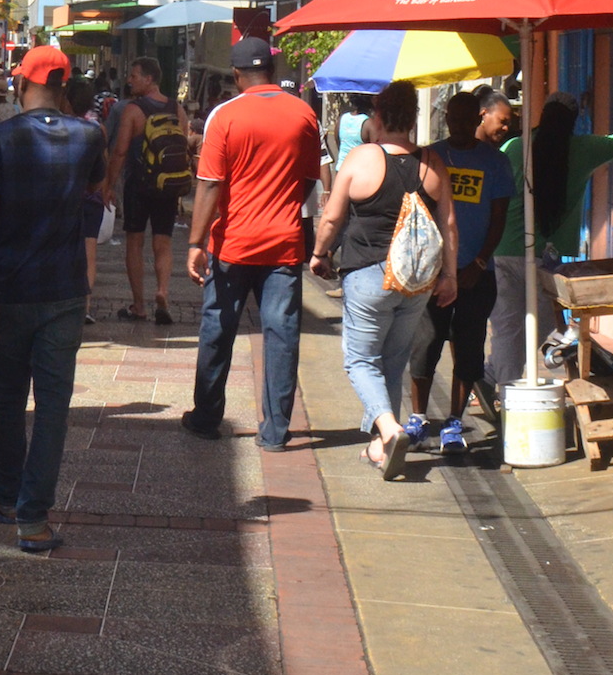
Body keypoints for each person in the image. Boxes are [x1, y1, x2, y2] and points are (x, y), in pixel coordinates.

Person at [0, 45, 105, 554]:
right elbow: (97, 188)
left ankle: (6, 494)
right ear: (64, 86)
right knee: (52, 407)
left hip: (8, 286)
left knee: (7, 399)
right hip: (66, 287)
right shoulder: (91, 135)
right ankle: (33, 518)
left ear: (22, 84)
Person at [311, 80, 457, 477]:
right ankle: (379, 445)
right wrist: (450, 277)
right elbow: (449, 225)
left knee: (360, 360)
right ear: (412, 119)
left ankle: (390, 429)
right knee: (393, 361)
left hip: (367, 274)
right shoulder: (432, 163)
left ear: (377, 116)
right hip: (415, 282)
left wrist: (319, 254)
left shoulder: (361, 159)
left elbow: (332, 218)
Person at [183, 38, 323, 452]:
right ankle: (276, 431)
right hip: (283, 243)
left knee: (217, 329)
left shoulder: (224, 116)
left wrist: (195, 242)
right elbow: (310, 178)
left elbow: (209, 184)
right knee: (281, 334)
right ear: (274, 74)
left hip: (232, 245)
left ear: (238, 74)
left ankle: (207, 418)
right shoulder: (303, 114)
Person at [492, 93, 613, 389]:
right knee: (542, 328)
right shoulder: (584, 148)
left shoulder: (514, 147)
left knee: (507, 330)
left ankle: (504, 392)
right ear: (574, 120)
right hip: (542, 259)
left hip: (502, 250)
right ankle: (518, 385)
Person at [408, 91, 514, 455]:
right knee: (424, 345)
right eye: (453, 118)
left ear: (478, 119)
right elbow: (418, 212)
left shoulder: (496, 163)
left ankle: (454, 422)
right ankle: (418, 418)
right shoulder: (430, 156)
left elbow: (498, 217)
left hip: (475, 274)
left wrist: (479, 262)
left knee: (468, 351)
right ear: (446, 118)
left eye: (466, 119)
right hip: (432, 274)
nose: (459, 126)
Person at [102, 55, 189, 325]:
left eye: (134, 75)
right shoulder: (177, 108)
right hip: (167, 186)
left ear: (149, 79)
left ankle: (139, 305)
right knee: (163, 242)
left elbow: (119, 151)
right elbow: (182, 146)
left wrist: (108, 185)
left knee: (135, 243)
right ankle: (162, 292)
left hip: (138, 185)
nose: (129, 80)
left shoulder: (134, 110)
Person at [65, 75, 105, 321]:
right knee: (89, 252)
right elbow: (105, 162)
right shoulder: (97, 128)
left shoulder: (61, 127)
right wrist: (106, 189)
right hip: (93, 197)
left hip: (67, 196)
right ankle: (86, 306)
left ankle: (67, 302)